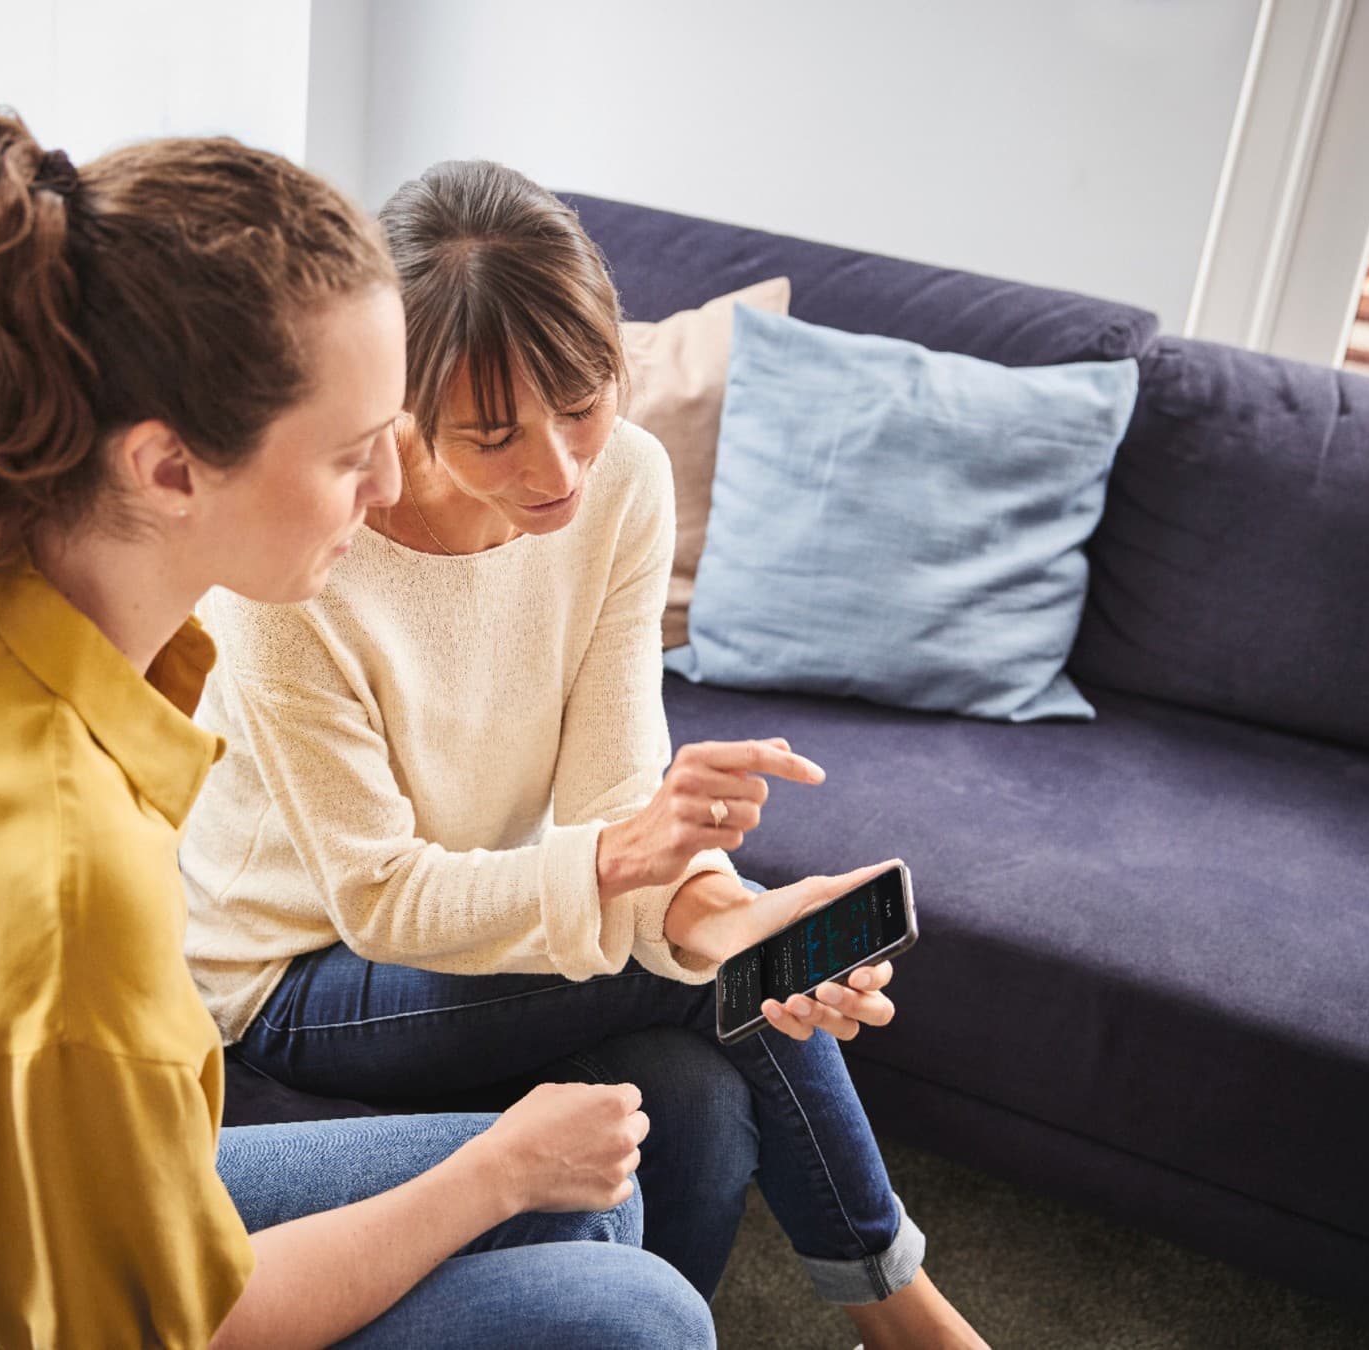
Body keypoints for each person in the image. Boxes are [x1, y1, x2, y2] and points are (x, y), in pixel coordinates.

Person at [0, 103, 715, 1349]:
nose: (396, 486)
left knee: (606, 1208)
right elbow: (171, 1334)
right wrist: (494, 1174)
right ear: (169, 470)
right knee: (631, 1310)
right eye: (351, 457)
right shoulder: (61, 887)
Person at [181, 159, 990, 1350]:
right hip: (298, 969)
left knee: (702, 1103)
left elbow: (616, 795)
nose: (557, 470)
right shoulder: (302, 566)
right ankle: (901, 1308)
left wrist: (727, 918)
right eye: (495, 433)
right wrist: (683, 899)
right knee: (713, 986)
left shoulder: (626, 480)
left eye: (583, 404)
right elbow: (381, 898)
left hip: (500, 921)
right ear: (403, 406)